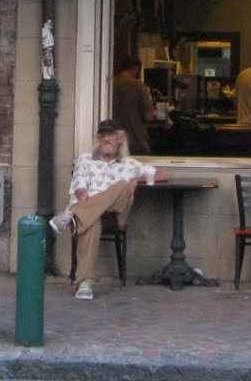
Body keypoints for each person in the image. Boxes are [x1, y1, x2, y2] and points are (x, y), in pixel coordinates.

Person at [50, 119, 168, 300]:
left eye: (110, 135)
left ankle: (70, 214)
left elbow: (163, 174)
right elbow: (79, 186)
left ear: (120, 138)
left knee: (123, 185)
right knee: (91, 222)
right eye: (102, 135)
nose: (106, 139)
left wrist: (137, 180)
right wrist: (82, 194)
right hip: (91, 213)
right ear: (98, 139)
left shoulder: (129, 164)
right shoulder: (85, 160)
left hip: (115, 215)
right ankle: (85, 283)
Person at [111, 56, 154, 153]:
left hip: (112, 137)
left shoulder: (110, 84)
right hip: (135, 139)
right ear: (136, 68)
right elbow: (148, 116)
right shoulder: (138, 86)